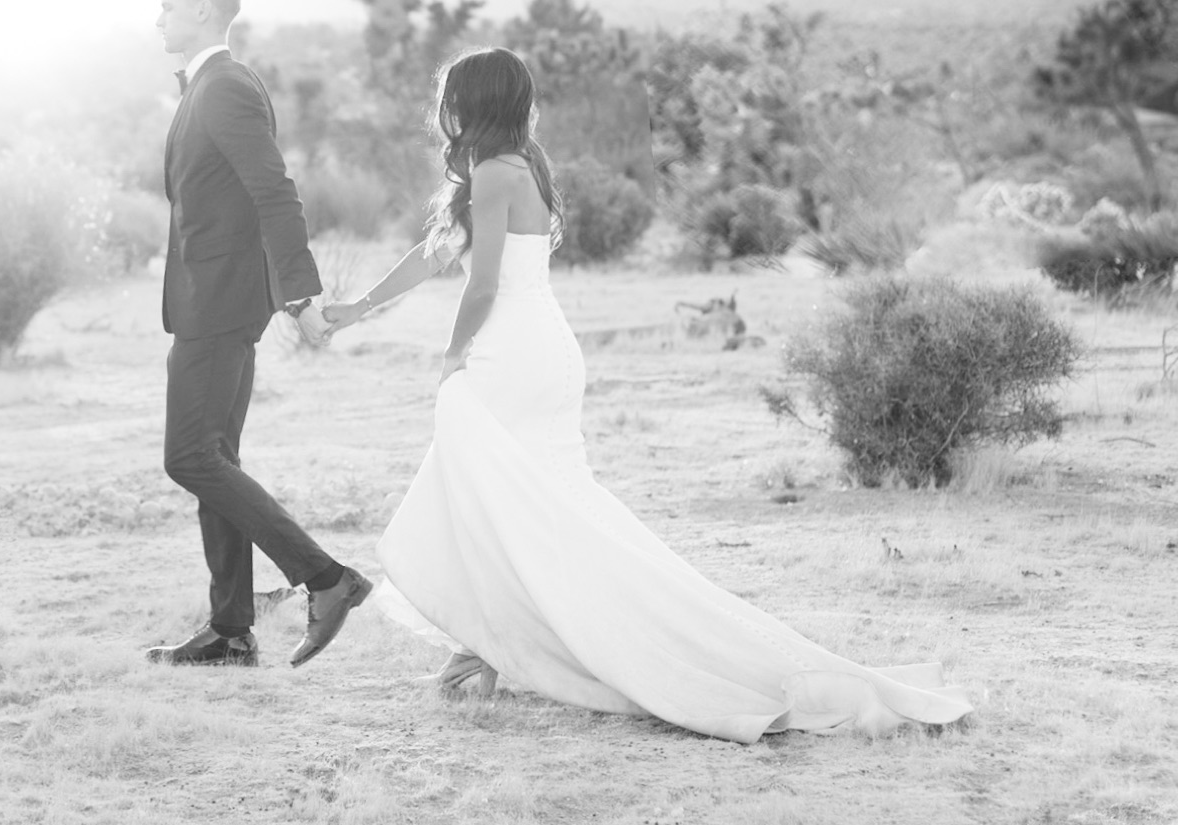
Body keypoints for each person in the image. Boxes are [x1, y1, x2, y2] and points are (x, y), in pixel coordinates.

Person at [322, 46, 974, 742]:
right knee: (521, 506)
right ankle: (486, 646)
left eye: (451, 96)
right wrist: (358, 305)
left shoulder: (490, 172)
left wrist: (454, 356)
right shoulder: (523, 165)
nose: (443, 109)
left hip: (509, 352)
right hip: (544, 348)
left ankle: (493, 644)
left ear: (473, 105)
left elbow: (482, 285)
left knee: (495, 500)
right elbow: (433, 256)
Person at [145, 0, 372, 668]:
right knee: (215, 460)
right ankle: (231, 628)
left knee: (189, 457)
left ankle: (327, 578)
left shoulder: (226, 88)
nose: (158, 18)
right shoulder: (206, 88)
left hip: (219, 305)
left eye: (168, 7)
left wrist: (301, 297)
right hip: (206, 300)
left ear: (207, 11)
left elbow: (275, 192)